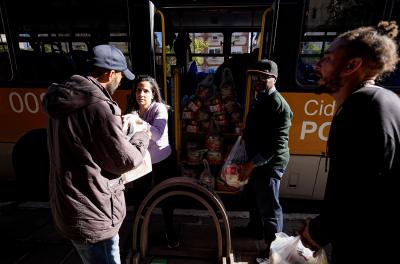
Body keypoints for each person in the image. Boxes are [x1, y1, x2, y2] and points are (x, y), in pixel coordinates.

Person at [298, 21, 400, 263]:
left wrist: (315, 233)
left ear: (352, 65)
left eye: (328, 59)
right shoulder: (386, 100)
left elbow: (354, 191)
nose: (317, 65)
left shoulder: (359, 108)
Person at [42, 44, 150, 264]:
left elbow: (82, 140)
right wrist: (142, 133)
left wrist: (117, 125)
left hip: (71, 208)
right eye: (120, 76)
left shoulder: (62, 97)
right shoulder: (99, 107)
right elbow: (125, 161)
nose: (120, 82)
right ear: (110, 74)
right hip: (95, 213)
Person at [239, 59, 293, 264]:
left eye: (263, 77)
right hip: (257, 160)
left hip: (270, 163)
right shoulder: (260, 98)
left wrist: (251, 165)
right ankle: (254, 229)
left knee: (270, 208)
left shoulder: (278, 105)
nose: (257, 80)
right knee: (254, 198)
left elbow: (275, 146)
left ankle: (274, 251)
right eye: (255, 76)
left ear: (274, 78)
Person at [124, 75, 179, 248]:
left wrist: (139, 122)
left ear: (153, 93)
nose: (141, 94)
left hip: (163, 161)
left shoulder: (159, 109)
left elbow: (157, 134)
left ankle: (170, 232)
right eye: (138, 90)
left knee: (166, 200)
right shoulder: (133, 111)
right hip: (142, 163)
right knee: (140, 199)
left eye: (146, 91)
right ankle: (139, 234)